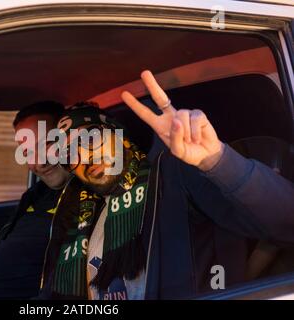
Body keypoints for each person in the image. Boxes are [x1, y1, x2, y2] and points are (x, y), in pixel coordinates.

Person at [38, 70, 294, 300]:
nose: (83, 157)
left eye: (90, 140)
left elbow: (286, 222)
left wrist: (217, 160)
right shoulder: (76, 215)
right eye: (69, 154)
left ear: (118, 134)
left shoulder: (174, 177)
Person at [0, 101, 71, 299]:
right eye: (27, 152)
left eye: (47, 144)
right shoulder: (36, 194)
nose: (39, 162)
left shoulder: (86, 199)